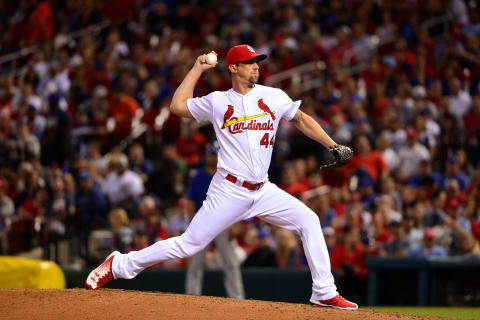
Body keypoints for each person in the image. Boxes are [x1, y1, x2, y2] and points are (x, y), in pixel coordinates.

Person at [85, 44, 357, 310]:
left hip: (263, 190)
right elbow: (178, 106)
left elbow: (301, 119)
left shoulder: (274, 96)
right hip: (229, 190)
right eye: (250, 63)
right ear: (234, 67)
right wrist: (197, 68)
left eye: (257, 62)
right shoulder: (218, 101)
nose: (256, 67)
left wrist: (332, 145)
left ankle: (324, 291)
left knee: (308, 220)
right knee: (188, 245)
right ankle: (118, 264)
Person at [185, 141, 245, 299]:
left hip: (224, 223)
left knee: (231, 264)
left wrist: (235, 224)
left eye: (217, 154)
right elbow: (190, 204)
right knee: (195, 264)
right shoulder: (198, 177)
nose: (214, 157)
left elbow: (237, 202)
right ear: (206, 155)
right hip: (203, 223)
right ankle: (192, 297)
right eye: (212, 154)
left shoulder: (229, 176)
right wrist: (192, 225)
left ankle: (237, 299)